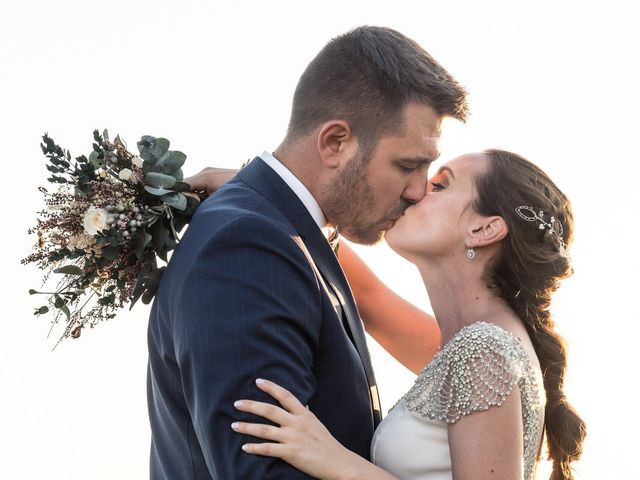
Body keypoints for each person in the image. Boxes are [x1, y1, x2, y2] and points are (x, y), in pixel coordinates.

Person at [146, 26, 468, 479]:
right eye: (408, 165)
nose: (418, 191)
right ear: (335, 143)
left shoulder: (281, 235)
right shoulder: (245, 246)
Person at [190, 150, 586, 479]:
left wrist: (335, 460)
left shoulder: (485, 351)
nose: (415, 191)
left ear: (484, 230)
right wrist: (261, 193)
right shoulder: (473, 344)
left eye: (441, 184)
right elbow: (368, 297)